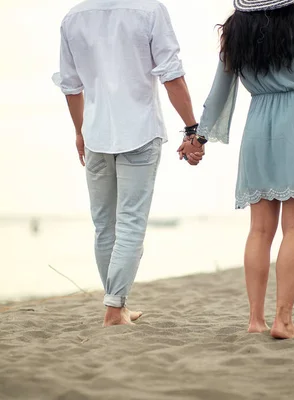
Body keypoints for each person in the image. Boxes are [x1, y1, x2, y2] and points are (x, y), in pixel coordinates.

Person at [178, 0, 294, 339]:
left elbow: (219, 91)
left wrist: (198, 138)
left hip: (257, 126)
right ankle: (282, 321)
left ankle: (255, 320)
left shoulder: (235, 31)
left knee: (259, 231)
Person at [54, 0, 203, 327]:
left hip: (95, 133)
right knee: (131, 222)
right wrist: (193, 128)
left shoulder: (74, 17)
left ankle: (117, 306)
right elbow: (171, 75)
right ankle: (114, 308)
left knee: (104, 225)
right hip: (138, 130)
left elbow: (70, 86)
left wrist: (79, 131)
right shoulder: (150, 10)